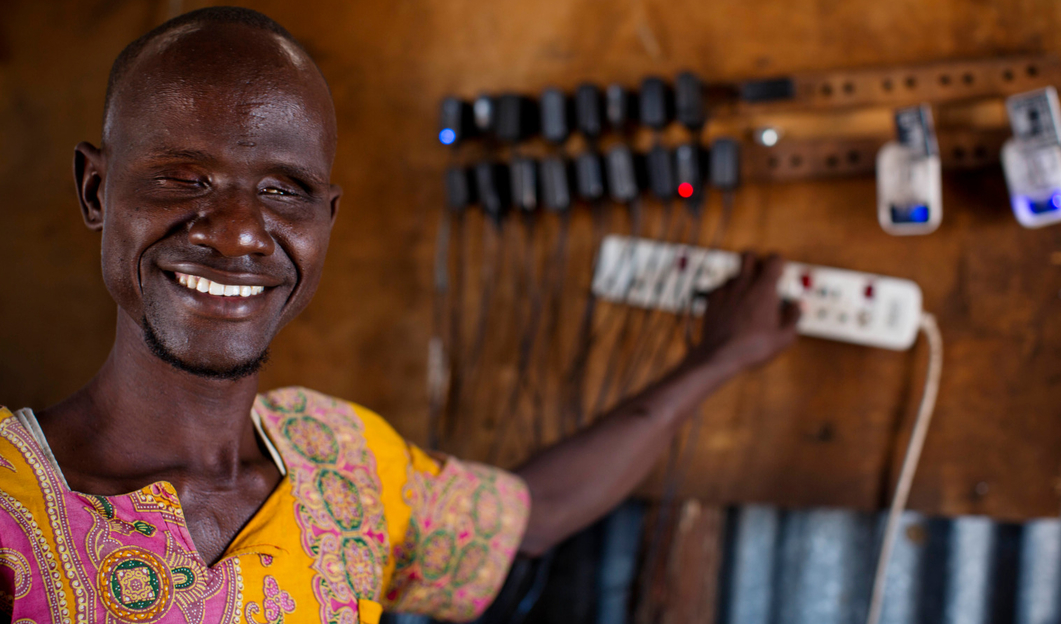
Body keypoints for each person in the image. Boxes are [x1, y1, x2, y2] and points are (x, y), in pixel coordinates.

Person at [0, 7, 799, 624]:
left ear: (326, 221)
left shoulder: (343, 462)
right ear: (97, 192)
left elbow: (534, 514)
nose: (241, 232)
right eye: (184, 178)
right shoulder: (12, 502)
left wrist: (719, 359)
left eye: (285, 190)